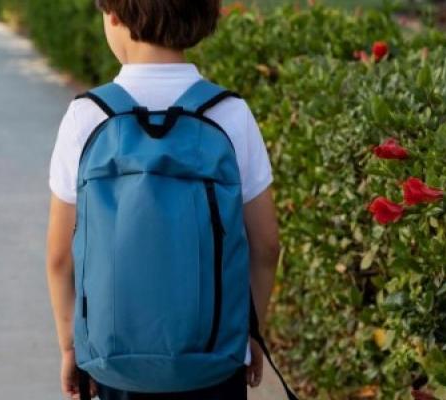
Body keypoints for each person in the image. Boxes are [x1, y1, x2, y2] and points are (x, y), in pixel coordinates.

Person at [45, 1, 283, 399]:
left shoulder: (87, 116)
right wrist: (248, 335)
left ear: (114, 15)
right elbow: (267, 245)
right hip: (213, 358)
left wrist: (71, 346)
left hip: (114, 362)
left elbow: (59, 257)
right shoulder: (229, 113)